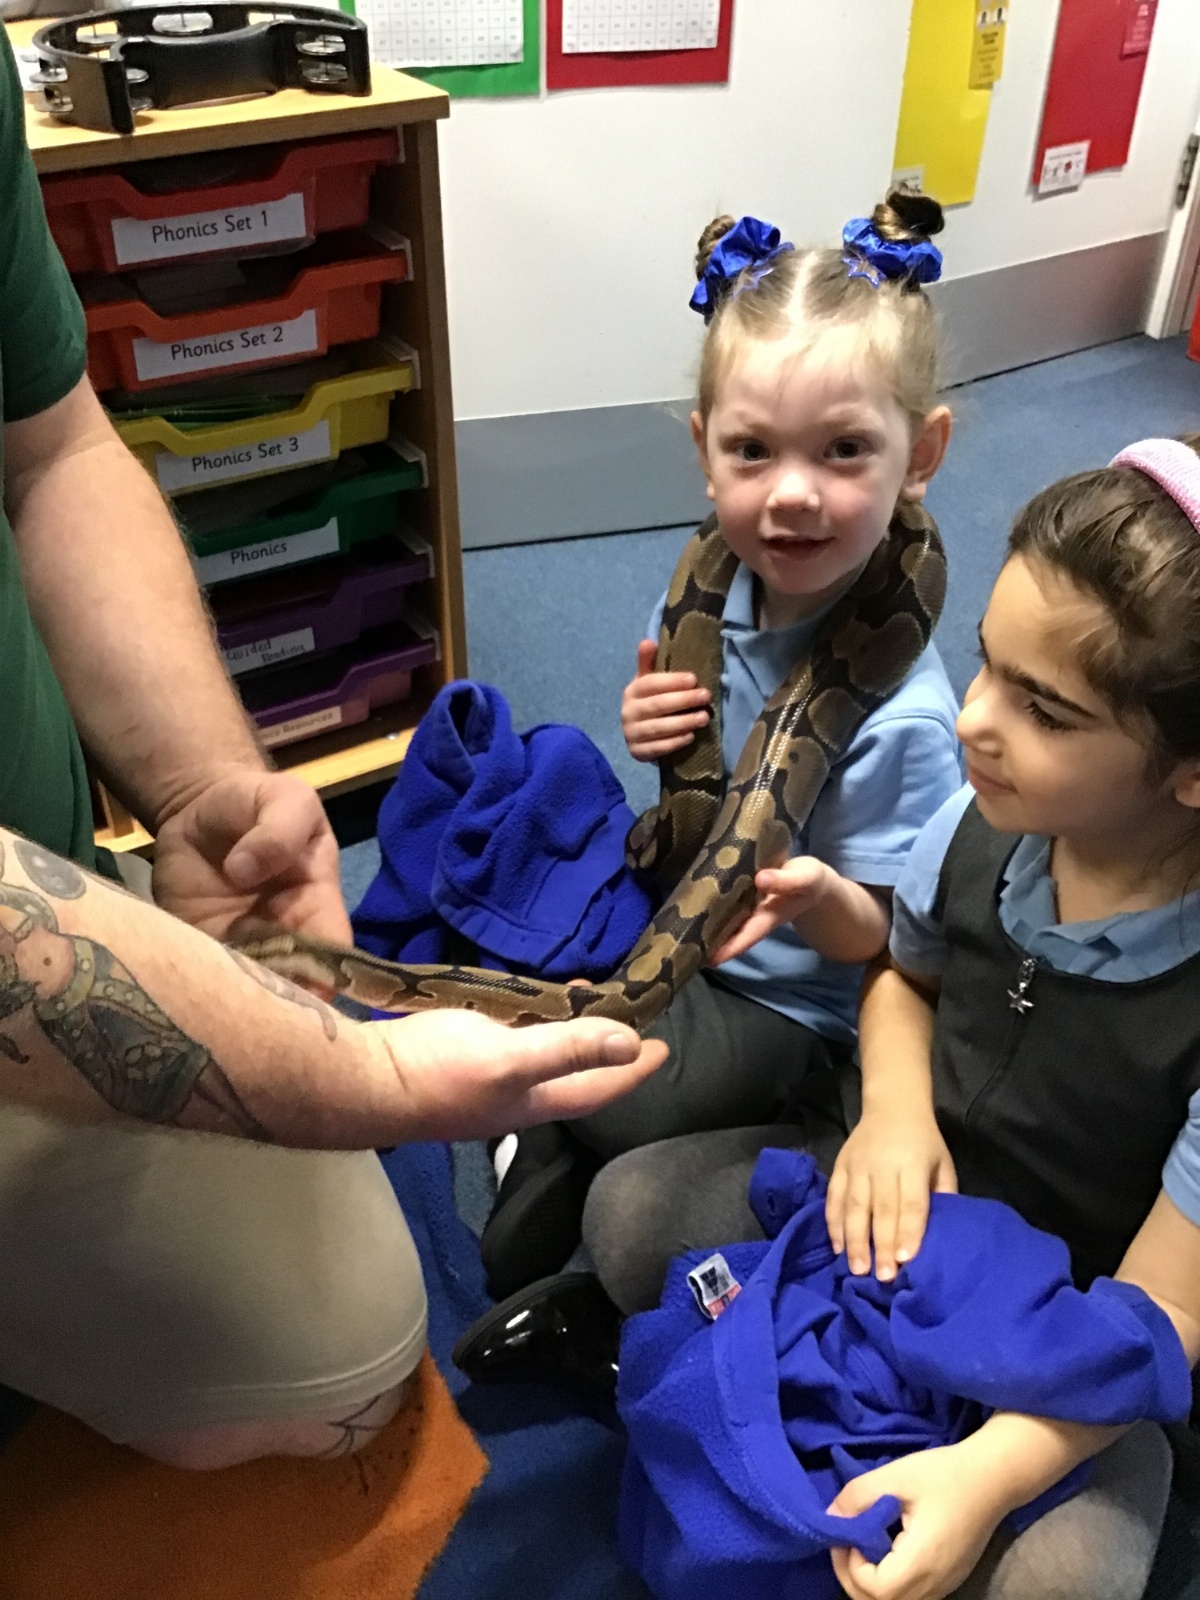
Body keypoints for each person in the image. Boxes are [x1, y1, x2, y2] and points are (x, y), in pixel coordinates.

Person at [0, 28, 665, 1468]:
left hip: (51, 880)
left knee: (348, 1344)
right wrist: (367, 1082)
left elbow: (50, 444)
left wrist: (199, 788)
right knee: (348, 1357)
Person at [556, 436, 1200, 1600]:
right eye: (986, 664)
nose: (970, 721)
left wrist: (990, 1476)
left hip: (1063, 1311)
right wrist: (896, 1111)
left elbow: (1164, 1308)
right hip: (898, 1196)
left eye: (1045, 711)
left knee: (1067, 1580)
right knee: (628, 1211)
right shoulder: (976, 825)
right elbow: (906, 976)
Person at [477, 193, 963, 1298]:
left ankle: (595, 1146)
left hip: (807, 1008)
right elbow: (688, 758)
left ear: (921, 454)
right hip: (697, 937)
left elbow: (903, 951)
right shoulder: (714, 580)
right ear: (705, 452)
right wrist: (648, 725)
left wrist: (821, 896)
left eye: (845, 450)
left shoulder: (908, 725)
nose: (791, 494)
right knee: (566, 1025)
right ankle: (565, 1138)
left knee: (612, 1142)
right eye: (753, 450)